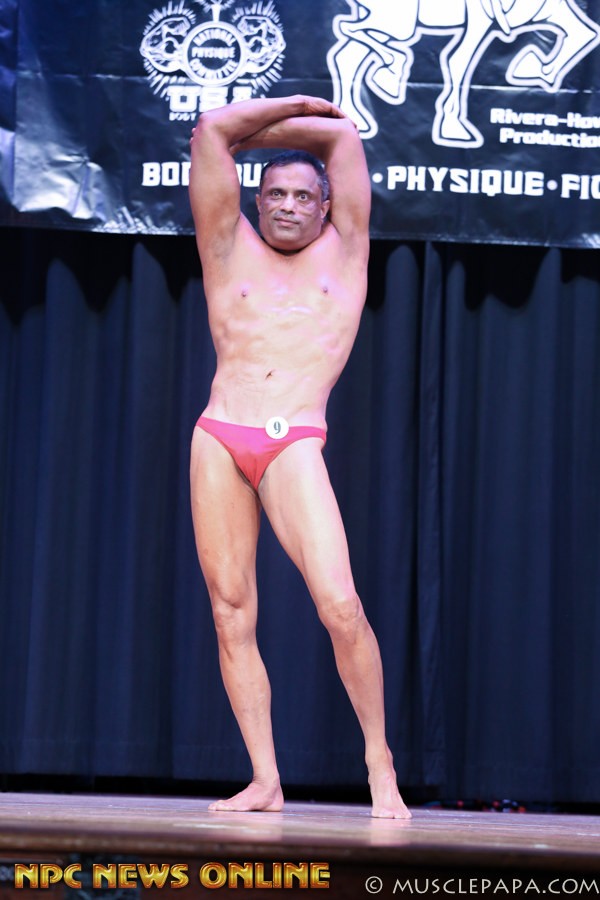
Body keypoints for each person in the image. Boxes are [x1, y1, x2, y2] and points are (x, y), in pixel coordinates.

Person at [188, 94, 410, 819]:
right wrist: (291, 107)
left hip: (294, 441)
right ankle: (265, 778)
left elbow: (343, 138)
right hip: (220, 434)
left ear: (326, 206)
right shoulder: (227, 244)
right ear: (256, 200)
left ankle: (379, 763)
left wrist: (291, 124)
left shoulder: (344, 254)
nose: (288, 206)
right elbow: (211, 132)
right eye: (276, 194)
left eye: (303, 196)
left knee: (340, 606)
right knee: (230, 612)